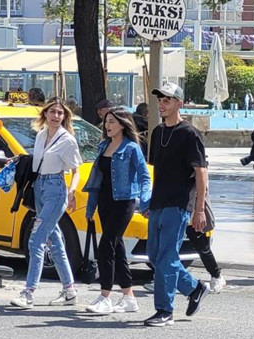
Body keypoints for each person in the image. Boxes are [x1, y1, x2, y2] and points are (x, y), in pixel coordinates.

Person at [145, 82, 210, 327]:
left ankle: (165, 310)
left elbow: (201, 173)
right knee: (155, 256)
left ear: (179, 104)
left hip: (179, 204)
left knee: (167, 258)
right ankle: (194, 288)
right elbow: (157, 171)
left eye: (167, 100)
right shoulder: (158, 132)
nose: (162, 104)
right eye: (160, 100)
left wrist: (199, 208)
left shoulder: (189, 133)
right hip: (158, 202)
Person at [10, 97, 83, 309]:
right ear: (45, 113)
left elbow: (76, 169)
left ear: (65, 116)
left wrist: (71, 191)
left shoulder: (67, 140)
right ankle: (69, 290)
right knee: (56, 241)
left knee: (35, 240)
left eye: (60, 113)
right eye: (52, 112)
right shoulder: (41, 135)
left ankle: (29, 292)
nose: (56, 116)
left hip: (55, 189)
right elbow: (36, 161)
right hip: (40, 187)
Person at [84, 107, 151, 314]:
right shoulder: (104, 145)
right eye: (106, 122)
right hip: (104, 202)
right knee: (117, 248)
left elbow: (144, 176)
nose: (107, 125)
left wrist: (146, 201)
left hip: (124, 202)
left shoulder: (131, 148)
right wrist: (90, 207)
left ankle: (105, 296)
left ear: (122, 124)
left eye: (112, 121)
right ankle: (129, 296)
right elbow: (97, 179)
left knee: (106, 246)